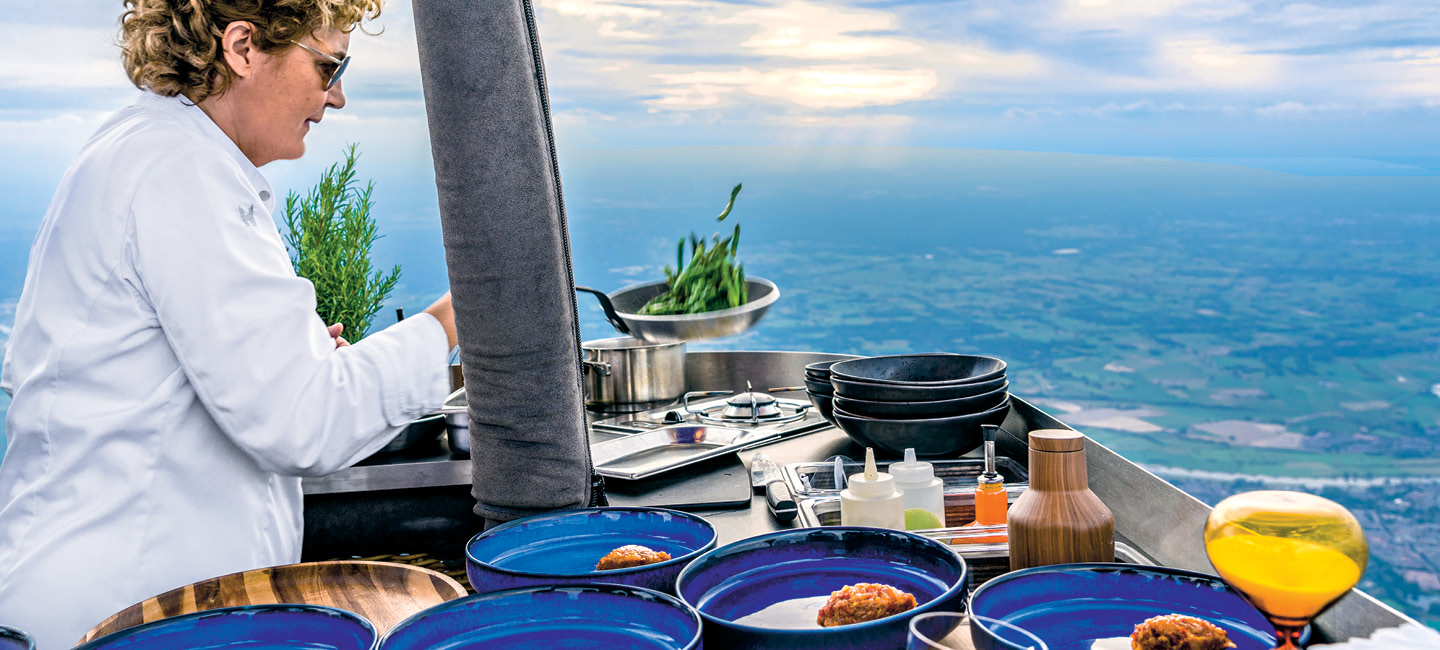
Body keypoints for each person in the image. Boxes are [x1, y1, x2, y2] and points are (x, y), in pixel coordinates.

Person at [0, 0, 458, 645]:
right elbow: (302, 423)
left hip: (135, 600)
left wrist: (292, 357)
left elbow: (168, 375)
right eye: (328, 64)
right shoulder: (180, 169)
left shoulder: (153, 149)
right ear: (243, 48)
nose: (338, 97)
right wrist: (456, 315)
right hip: (117, 610)